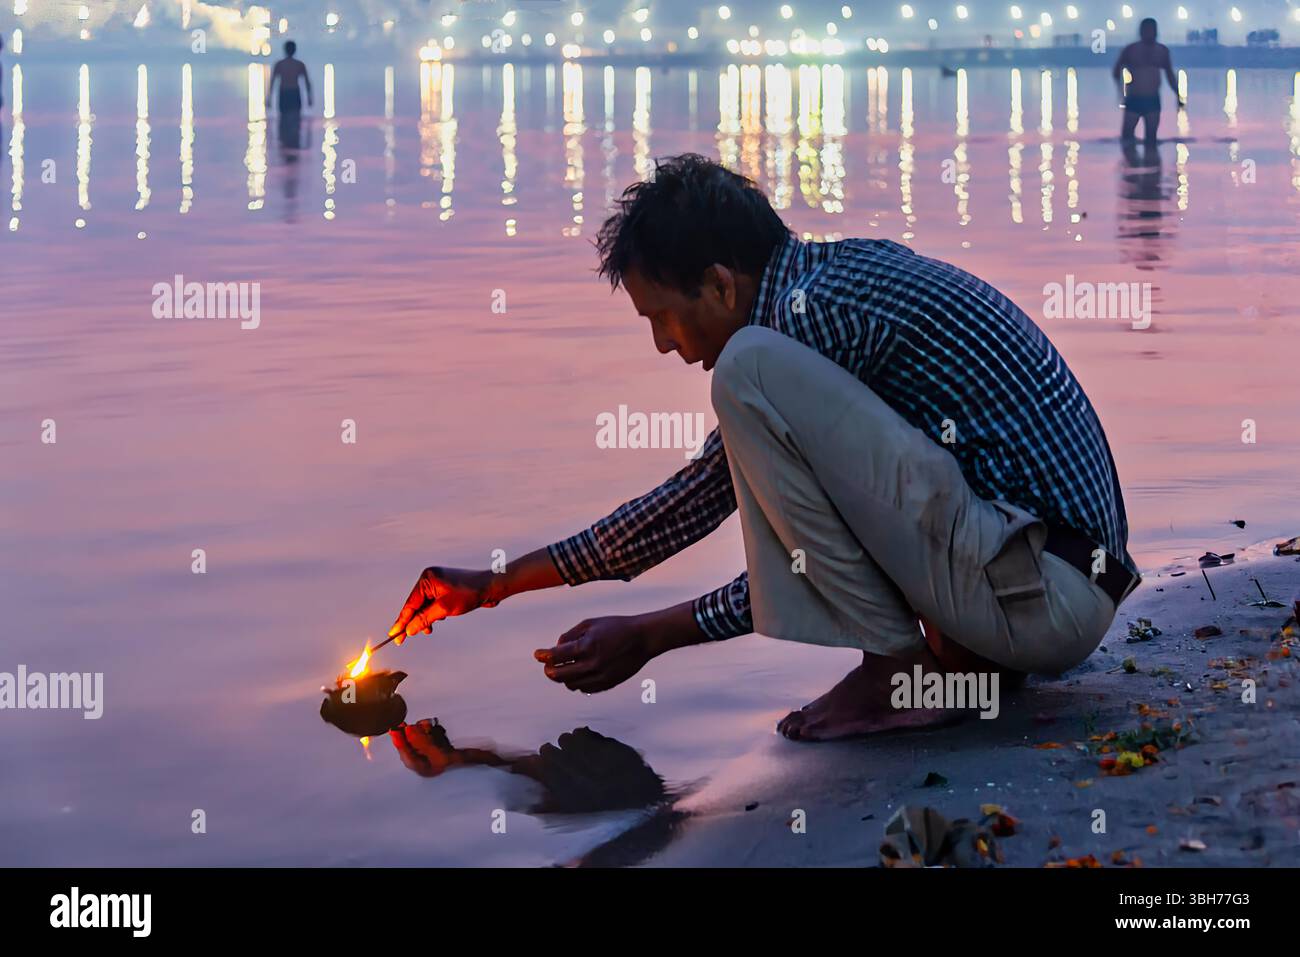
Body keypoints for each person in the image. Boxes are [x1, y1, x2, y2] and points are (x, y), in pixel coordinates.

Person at [388, 154, 1141, 742]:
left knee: (744, 369)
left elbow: (713, 512)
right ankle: (956, 669)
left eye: (664, 317)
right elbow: (759, 526)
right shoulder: (828, 289)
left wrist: (646, 631)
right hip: (1050, 586)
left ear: (719, 284)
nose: (663, 346)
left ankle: (897, 676)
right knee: (758, 388)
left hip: (1044, 597)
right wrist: (496, 585)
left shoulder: (795, 324)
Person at [1113, 17, 1184, 143]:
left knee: (1151, 140)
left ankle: (1151, 161)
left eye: (1152, 30)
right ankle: (1130, 161)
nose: (1149, 33)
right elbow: (1116, 71)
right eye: (1146, 30)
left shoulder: (1162, 51)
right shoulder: (1131, 50)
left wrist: (1178, 95)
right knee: (1126, 140)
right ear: (1141, 32)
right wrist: (1121, 91)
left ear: (1156, 32)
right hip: (1134, 98)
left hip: (1152, 100)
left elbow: (1169, 75)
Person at [266, 40, 311, 114]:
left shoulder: (280, 64)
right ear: (295, 50)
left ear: (285, 50)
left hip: (284, 93)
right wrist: (309, 97)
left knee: (284, 118)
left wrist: (269, 97)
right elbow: (307, 82)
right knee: (295, 118)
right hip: (294, 92)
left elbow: (272, 82)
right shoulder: (299, 64)